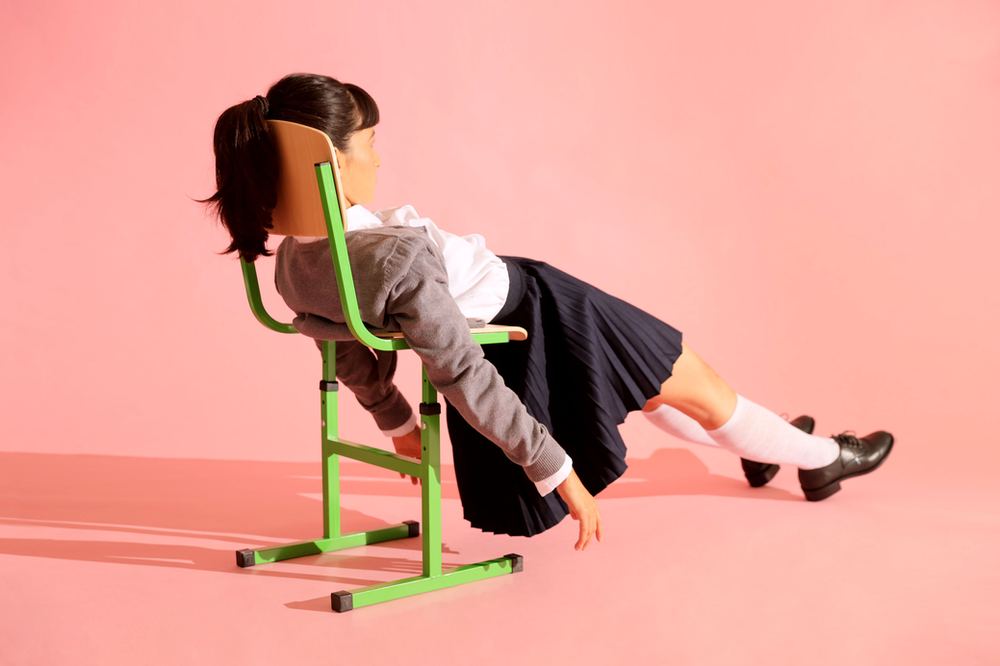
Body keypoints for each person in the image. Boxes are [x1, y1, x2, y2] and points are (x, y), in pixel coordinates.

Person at [203, 73, 894, 551]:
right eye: (369, 141)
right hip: (545, 307)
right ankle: (823, 457)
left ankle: (768, 446)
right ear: (330, 159)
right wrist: (556, 472)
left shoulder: (298, 261)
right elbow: (461, 374)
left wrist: (394, 420)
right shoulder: (393, 257)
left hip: (523, 314)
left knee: (660, 391)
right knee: (698, 389)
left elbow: (344, 343)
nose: (379, 159)